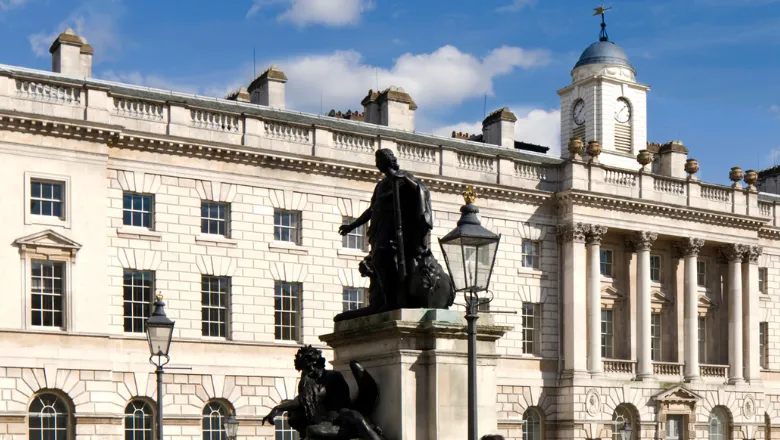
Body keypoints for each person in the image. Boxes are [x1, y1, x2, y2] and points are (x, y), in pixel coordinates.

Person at [261, 346, 383, 440]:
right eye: (306, 370)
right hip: (328, 422)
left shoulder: (332, 376)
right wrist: (278, 408)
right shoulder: (310, 382)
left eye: (310, 368)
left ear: (317, 363)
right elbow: (304, 400)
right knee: (312, 430)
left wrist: (279, 408)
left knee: (355, 417)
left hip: (343, 416)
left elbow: (311, 397)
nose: (310, 371)